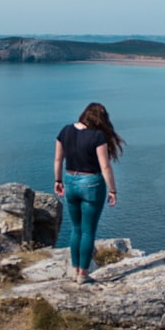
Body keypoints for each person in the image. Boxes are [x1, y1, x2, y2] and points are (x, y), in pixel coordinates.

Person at [54, 102, 125, 284]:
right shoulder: (97, 136)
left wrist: (58, 181)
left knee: (76, 229)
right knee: (88, 231)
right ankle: (83, 275)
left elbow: (58, 159)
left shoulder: (65, 131)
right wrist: (113, 190)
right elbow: (105, 166)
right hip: (91, 184)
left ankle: (75, 270)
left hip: (70, 181)